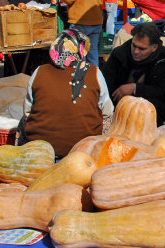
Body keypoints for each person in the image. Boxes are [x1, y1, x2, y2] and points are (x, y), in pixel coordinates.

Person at [20, 29, 113, 159]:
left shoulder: (39, 71)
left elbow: (27, 111)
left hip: (42, 152)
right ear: (81, 49)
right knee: (107, 119)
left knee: (22, 122)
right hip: (84, 152)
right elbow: (107, 112)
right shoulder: (95, 72)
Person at [102, 22, 165, 126]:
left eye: (142, 49)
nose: (136, 51)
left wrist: (135, 88)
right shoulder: (119, 54)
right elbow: (105, 86)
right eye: (134, 46)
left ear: (154, 47)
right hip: (120, 109)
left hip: (154, 111)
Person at [61, 0, 103, 67]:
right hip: (96, 19)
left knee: (78, 52)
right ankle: (94, 74)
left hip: (80, 20)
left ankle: (80, 74)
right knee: (93, 50)